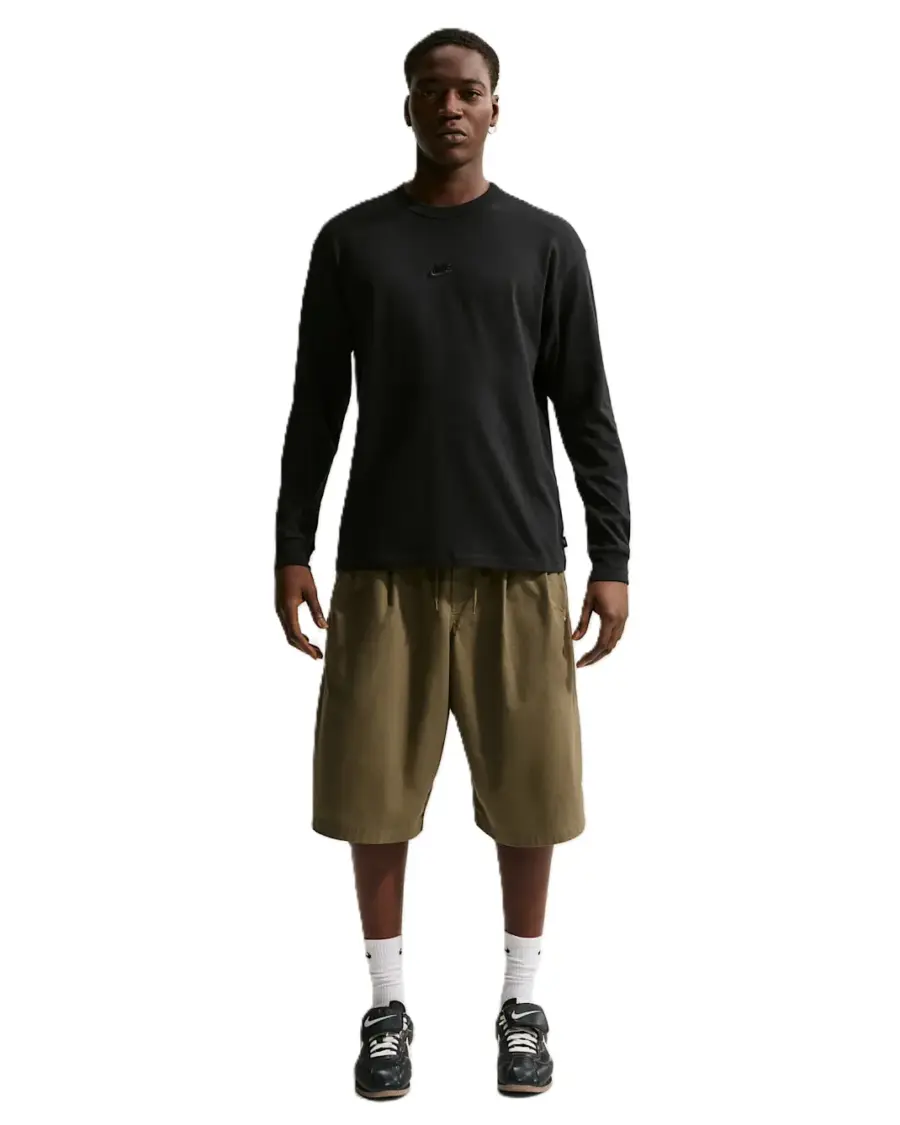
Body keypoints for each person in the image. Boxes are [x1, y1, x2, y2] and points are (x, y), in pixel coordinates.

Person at [274, 27, 630, 1100]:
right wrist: (291, 545)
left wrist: (612, 556)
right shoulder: (352, 244)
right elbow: (315, 408)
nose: (451, 106)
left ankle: (523, 1003)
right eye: (432, 90)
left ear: (496, 107)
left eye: (469, 90)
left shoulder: (547, 245)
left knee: (533, 797)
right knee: (371, 798)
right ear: (407, 106)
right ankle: (386, 1007)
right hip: (382, 566)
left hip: (520, 562)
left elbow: (587, 409)